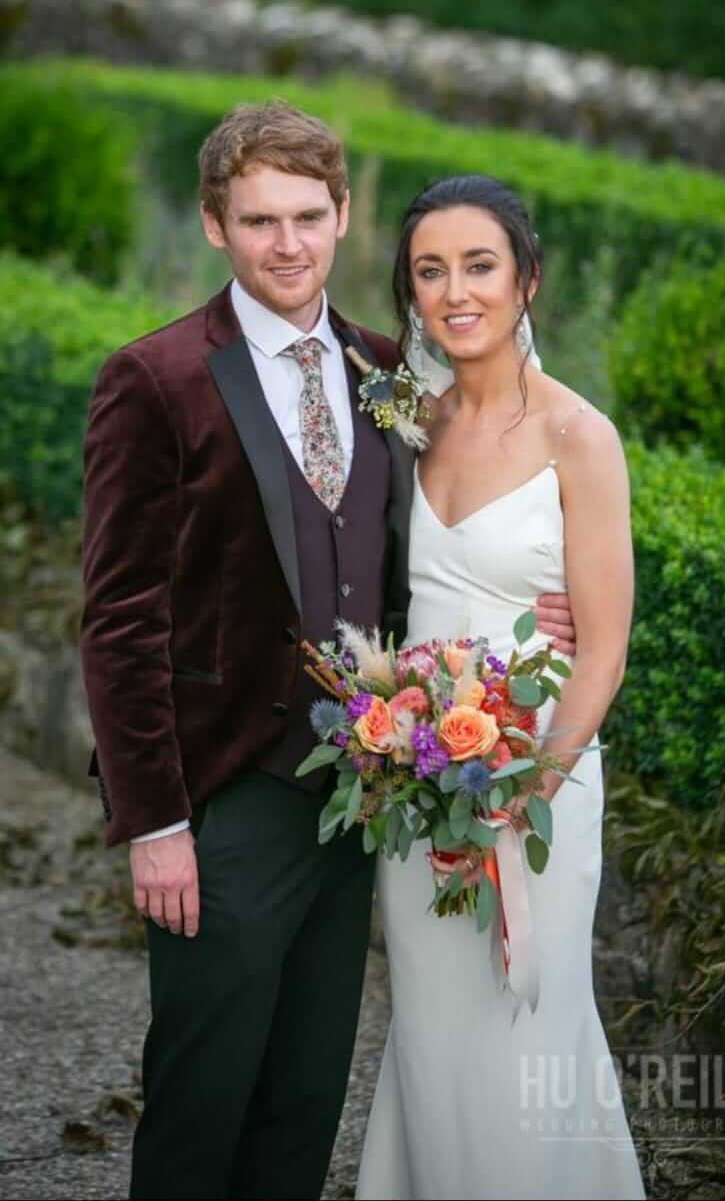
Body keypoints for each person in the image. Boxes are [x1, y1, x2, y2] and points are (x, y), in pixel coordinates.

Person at [79, 106, 575, 1201]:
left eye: (309, 216)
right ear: (216, 225)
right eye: (260, 220)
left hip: (361, 800)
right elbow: (119, 617)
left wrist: (549, 604)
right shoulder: (154, 379)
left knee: (306, 1098)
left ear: (343, 216)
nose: (288, 243)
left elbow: (441, 526)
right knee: (204, 1093)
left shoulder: (389, 368)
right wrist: (154, 822)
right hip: (223, 802)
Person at [356, 175, 645, 1201]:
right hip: (417, 782)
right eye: (430, 271)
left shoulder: (580, 436)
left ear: (527, 280)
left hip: (538, 788)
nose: (454, 291)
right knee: (431, 1024)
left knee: (529, 1014)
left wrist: (535, 784)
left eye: (479, 265)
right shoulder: (405, 423)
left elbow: (603, 647)